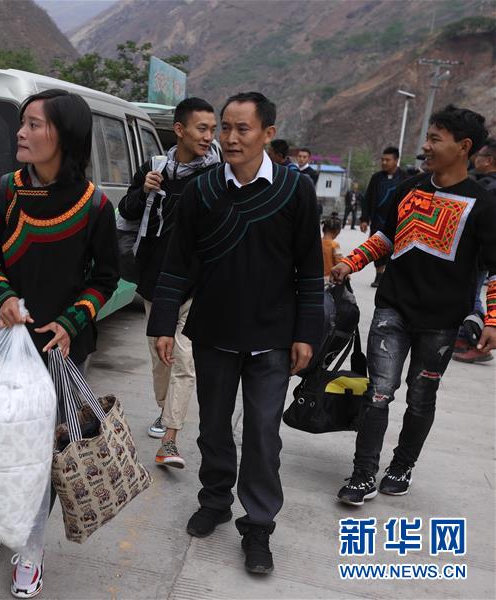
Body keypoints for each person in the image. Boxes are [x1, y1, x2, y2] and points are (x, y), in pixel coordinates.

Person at [147, 91, 323, 575]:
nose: (229, 137)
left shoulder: (294, 190)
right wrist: (163, 323)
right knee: (213, 427)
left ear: (268, 133)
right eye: (224, 127)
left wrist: (306, 333)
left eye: (242, 128)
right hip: (214, 332)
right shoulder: (202, 190)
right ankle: (215, 499)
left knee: (263, 433)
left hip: (273, 337)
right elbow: (177, 262)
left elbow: (310, 269)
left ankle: (259, 525)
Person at [0, 88, 120, 598]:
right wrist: (2, 297)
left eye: (34, 124)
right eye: (23, 122)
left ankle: (30, 549)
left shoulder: (95, 205)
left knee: (40, 453)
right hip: (5, 341)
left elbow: (106, 278)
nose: (22, 132)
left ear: (64, 137)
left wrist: (72, 322)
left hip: (61, 350)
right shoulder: (3, 193)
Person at [330, 105, 495, 506]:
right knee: (378, 392)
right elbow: (386, 238)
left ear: (464, 147)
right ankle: (363, 474)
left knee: (421, 398)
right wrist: (351, 262)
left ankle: (402, 466)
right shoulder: (409, 188)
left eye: (436, 139)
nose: (426, 147)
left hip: (442, 322)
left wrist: (493, 318)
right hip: (393, 309)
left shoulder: (485, 205)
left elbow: (494, 270)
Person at [118, 97, 221, 468]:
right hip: (157, 282)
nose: (209, 137)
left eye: (212, 130)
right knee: (160, 361)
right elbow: (126, 212)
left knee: (183, 359)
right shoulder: (155, 168)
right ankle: (166, 411)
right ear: (180, 130)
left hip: (198, 284)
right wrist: (143, 191)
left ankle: (171, 439)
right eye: (201, 129)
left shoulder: (218, 176)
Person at [454, 137, 496, 363]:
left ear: (489, 160)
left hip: (480, 254)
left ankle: (480, 344)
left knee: (473, 298)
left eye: (479, 157)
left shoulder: (488, 187)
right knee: (472, 296)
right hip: (483, 254)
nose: (475, 160)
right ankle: (465, 337)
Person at [360, 146, 406, 287]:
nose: (384, 162)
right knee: (377, 247)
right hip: (378, 219)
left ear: (396, 160)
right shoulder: (376, 178)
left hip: (398, 220)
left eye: (388, 160)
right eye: (382, 160)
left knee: (395, 249)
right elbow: (368, 198)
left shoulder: (405, 178)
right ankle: (379, 275)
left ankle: (389, 276)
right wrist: (364, 219)